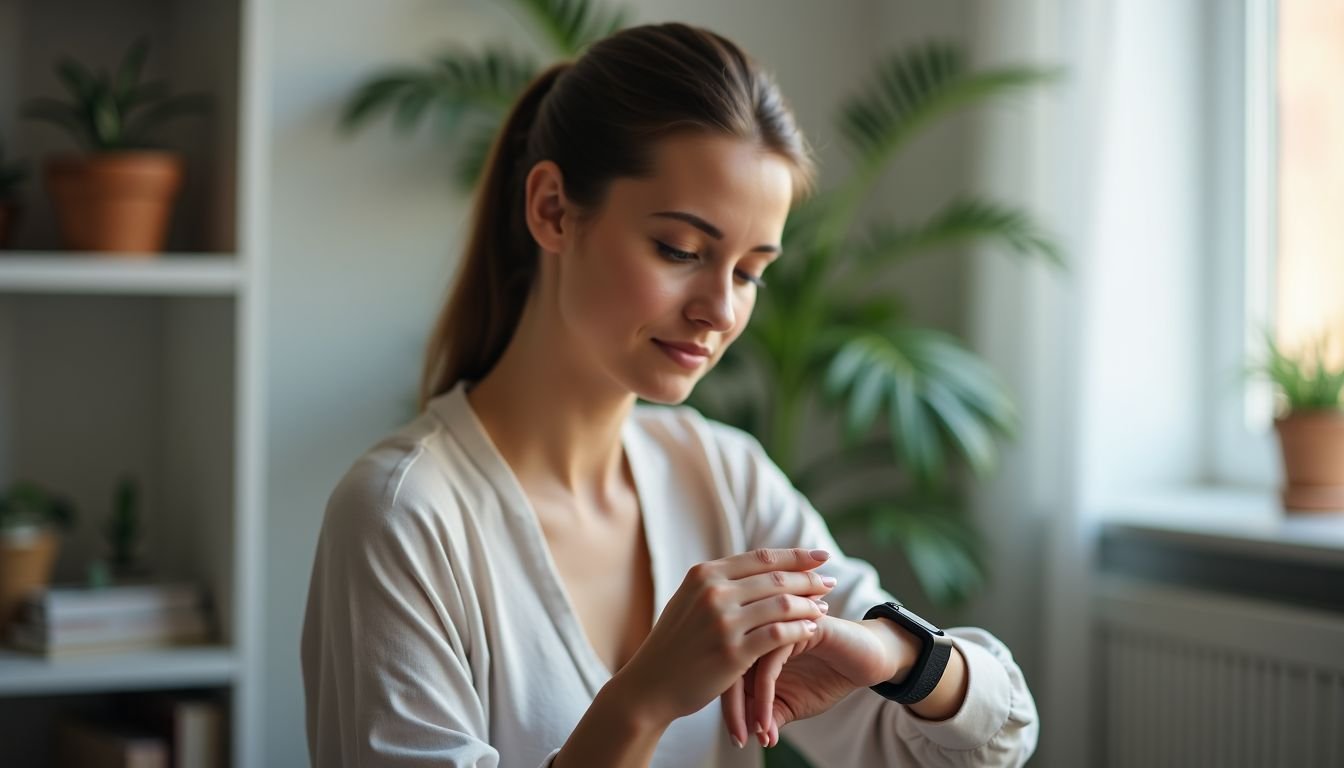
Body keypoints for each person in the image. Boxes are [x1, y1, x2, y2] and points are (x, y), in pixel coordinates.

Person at [301, 21, 1038, 768]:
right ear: (552, 208)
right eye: (681, 251)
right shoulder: (403, 514)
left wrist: (895, 651)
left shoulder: (725, 478)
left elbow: (989, 741)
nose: (721, 309)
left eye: (750, 271)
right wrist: (642, 701)